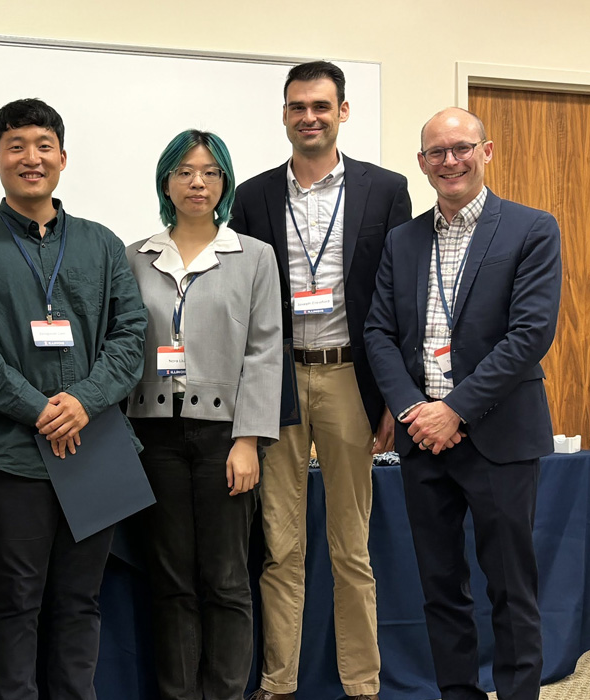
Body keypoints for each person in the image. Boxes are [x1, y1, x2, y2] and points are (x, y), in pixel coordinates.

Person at [0, 98, 146, 700]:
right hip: (10, 450)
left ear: (62, 158)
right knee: (16, 600)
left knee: (82, 600)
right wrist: (38, 408)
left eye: (42, 145)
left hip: (98, 444)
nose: (30, 158)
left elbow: (130, 335)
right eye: (16, 146)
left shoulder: (102, 245)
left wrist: (83, 401)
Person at [230, 60, 411, 700]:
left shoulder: (384, 190)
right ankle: (279, 684)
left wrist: (392, 395)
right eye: (298, 106)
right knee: (281, 546)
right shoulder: (251, 195)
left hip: (348, 380)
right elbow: (245, 305)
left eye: (321, 106)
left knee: (351, 547)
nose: (310, 116)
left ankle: (361, 684)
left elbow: (394, 300)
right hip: (277, 380)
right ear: (284, 114)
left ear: (342, 112)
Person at [365, 107, 560, 700]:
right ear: (421, 164)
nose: (450, 161)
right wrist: (413, 412)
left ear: (487, 151)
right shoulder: (403, 240)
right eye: (436, 153)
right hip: (423, 440)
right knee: (441, 589)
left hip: (499, 437)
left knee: (510, 589)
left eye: (461, 148)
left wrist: (455, 409)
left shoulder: (531, 228)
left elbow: (530, 335)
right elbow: (377, 332)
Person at [126, 129, 281, 700]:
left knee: (226, 578)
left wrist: (249, 442)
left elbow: (265, 350)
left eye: (210, 172)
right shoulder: (134, 256)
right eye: (185, 171)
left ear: (225, 182)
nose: (197, 182)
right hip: (153, 433)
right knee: (170, 581)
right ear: (166, 180)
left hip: (224, 437)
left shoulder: (254, 257)